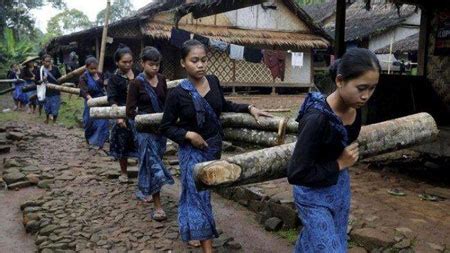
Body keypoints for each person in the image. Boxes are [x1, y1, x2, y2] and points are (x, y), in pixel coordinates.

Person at [159, 39, 271, 253]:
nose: (200, 65)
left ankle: (196, 231)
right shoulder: (177, 94)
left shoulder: (213, 81)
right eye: (194, 61)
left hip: (213, 148)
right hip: (192, 152)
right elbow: (166, 127)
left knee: (201, 195)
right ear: (183, 63)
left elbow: (224, 104)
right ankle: (207, 247)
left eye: (203, 60)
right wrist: (188, 134)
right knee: (198, 196)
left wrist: (249, 107)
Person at [287, 48, 381, 253]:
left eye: (372, 89)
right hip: (312, 195)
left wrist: (341, 165)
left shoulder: (356, 106)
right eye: (361, 88)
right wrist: (340, 163)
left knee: (322, 242)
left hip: (339, 189)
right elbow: (296, 173)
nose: (366, 96)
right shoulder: (317, 119)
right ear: (340, 81)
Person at [126, 46, 174, 221]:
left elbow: (167, 104)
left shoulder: (162, 80)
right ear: (142, 63)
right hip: (145, 132)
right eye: (151, 64)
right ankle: (158, 206)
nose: (155, 68)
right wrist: (145, 119)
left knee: (153, 162)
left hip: (160, 131)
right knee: (153, 165)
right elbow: (130, 111)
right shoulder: (136, 84)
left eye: (157, 65)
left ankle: (147, 190)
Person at [107, 44, 138, 183]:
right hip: (122, 114)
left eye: (130, 61)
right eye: (124, 62)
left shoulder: (138, 74)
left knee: (140, 143)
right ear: (117, 62)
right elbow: (112, 98)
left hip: (138, 114)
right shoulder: (114, 79)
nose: (128, 64)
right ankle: (124, 172)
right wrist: (119, 117)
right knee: (122, 144)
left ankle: (142, 171)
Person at [79, 56, 110, 153]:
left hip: (101, 100)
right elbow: (84, 91)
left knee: (103, 122)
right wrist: (90, 99)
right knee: (89, 122)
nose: (93, 70)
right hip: (90, 101)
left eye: (95, 68)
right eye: (91, 69)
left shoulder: (100, 75)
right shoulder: (83, 77)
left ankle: (99, 143)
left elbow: (104, 86)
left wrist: (99, 80)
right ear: (86, 68)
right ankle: (89, 139)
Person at [38, 54, 62, 123]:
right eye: (46, 61)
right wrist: (42, 80)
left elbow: (59, 79)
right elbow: (36, 81)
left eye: (49, 61)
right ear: (42, 62)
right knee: (47, 107)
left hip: (55, 91)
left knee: (55, 107)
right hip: (45, 92)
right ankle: (47, 119)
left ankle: (54, 121)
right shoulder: (40, 70)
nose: (48, 63)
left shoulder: (55, 68)